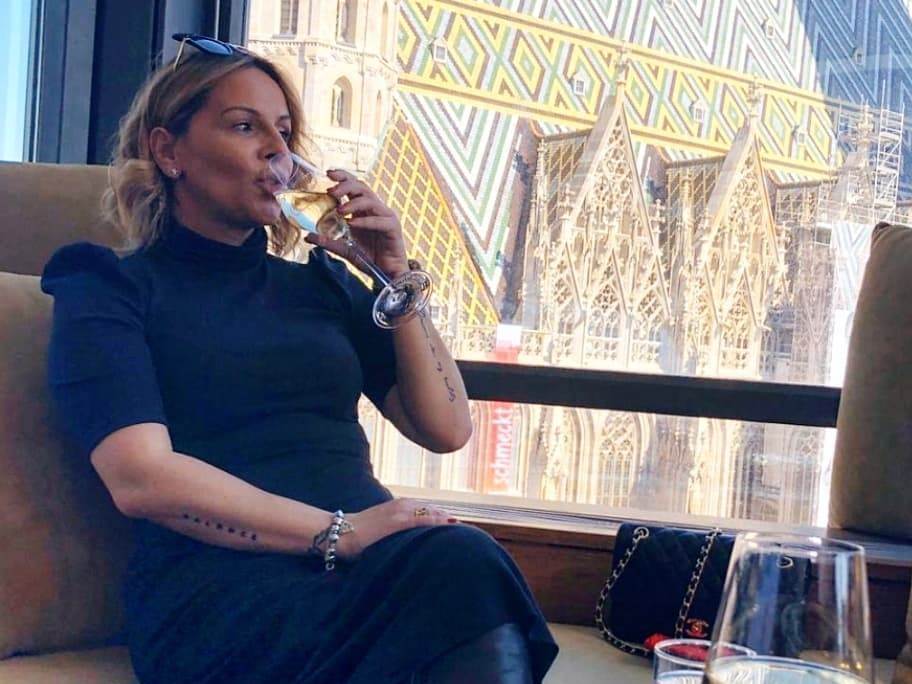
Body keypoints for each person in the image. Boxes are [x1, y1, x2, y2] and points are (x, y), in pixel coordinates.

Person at [39, 33, 558, 684]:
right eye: (244, 126)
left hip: (369, 567)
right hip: (223, 591)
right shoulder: (107, 287)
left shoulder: (323, 284)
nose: (276, 152)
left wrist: (392, 273)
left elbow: (446, 428)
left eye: (284, 133)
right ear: (168, 151)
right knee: (459, 570)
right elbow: (141, 478)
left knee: (464, 560)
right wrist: (341, 532)